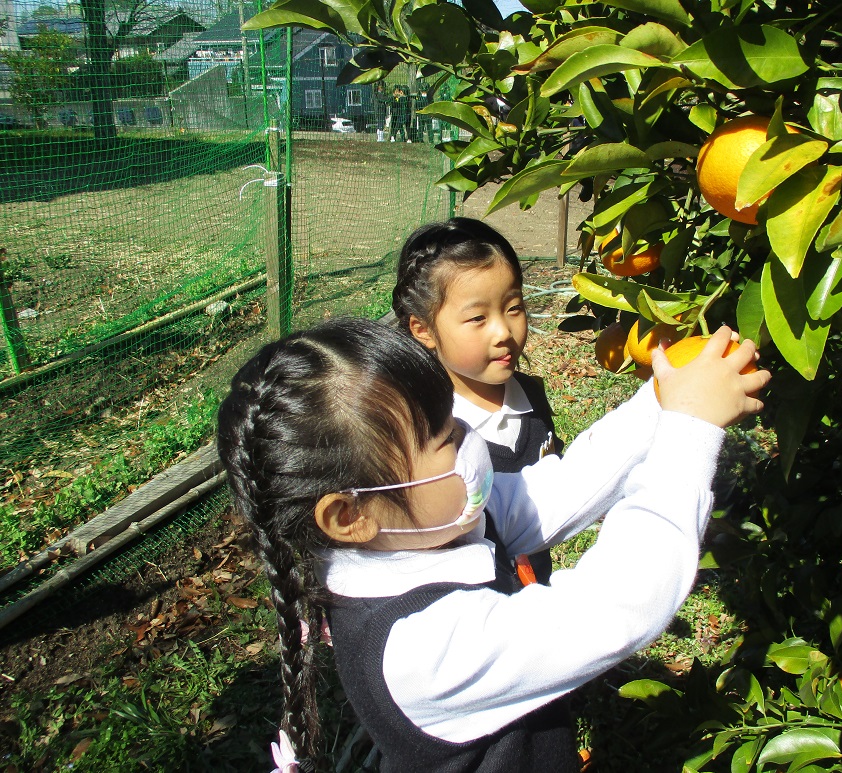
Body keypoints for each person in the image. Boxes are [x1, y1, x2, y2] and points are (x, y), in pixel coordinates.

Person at [217, 315, 768, 771]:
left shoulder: (423, 526)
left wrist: (661, 402)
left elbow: (557, 491)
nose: (470, 440)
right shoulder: (419, 649)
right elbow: (620, 602)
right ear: (349, 514)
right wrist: (689, 429)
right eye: (443, 437)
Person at [392, 218, 564, 584]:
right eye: (478, 318)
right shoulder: (430, 440)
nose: (504, 332)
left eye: (514, 307)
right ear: (424, 330)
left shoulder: (530, 395)